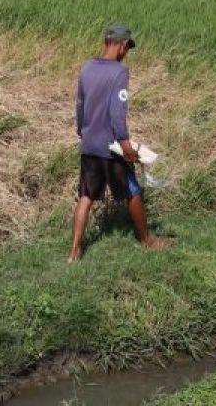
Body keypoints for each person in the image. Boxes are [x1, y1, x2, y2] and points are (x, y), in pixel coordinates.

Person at [68, 23, 172, 262]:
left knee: (86, 196)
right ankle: (147, 241)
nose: (127, 53)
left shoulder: (86, 68)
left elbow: (80, 105)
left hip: (89, 143)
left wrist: (82, 131)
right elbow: (117, 112)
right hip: (111, 146)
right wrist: (125, 146)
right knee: (132, 191)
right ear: (123, 45)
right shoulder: (119, 72)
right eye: (128, 48)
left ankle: (74, 250)